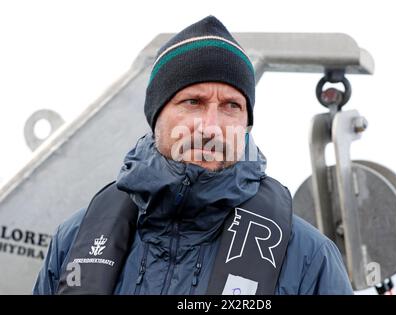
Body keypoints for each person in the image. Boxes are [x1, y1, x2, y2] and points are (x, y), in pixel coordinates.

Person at [33, 15, 353, 295]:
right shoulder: (75, 239)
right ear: (157, 116)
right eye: (193, 102)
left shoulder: (308, 257)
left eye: (231, 106)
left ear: (246, 123)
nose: (210, 127)